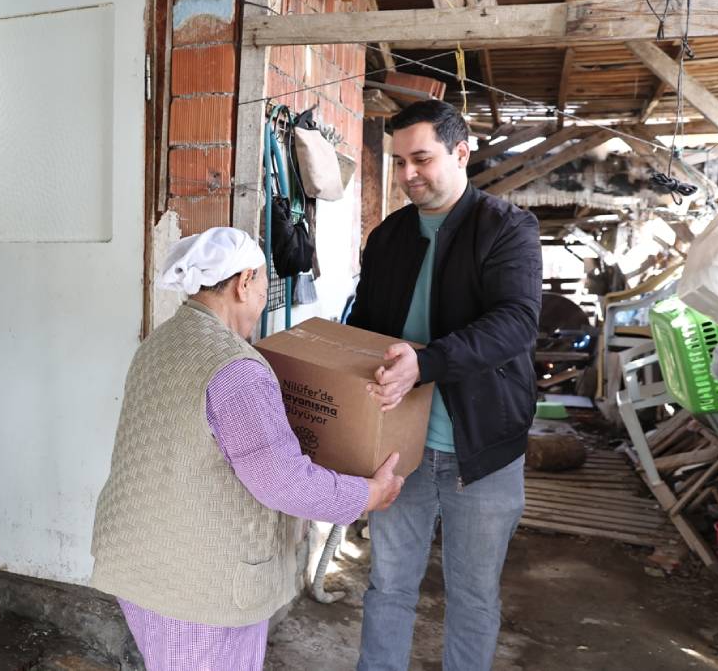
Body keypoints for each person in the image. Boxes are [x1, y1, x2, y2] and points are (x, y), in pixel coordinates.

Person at [91, 226, 405, 671]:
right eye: (262, 285)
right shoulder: (235, 369)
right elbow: (282, 482)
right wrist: (367, 495)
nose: (261, 298)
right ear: (244, 283)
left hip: (142, 560)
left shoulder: (162, 342)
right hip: (196, 585)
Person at [347, 100, 542, 671]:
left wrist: (425, 363)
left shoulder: (508, 228)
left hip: (480, 449)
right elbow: (364, 328)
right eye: (400, 161)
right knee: (388, 585)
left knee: (473, 597)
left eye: (422, 158)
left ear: (461, 152)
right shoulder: (387, 237)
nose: (409, 174)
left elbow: (516, 322)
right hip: (397, 449)